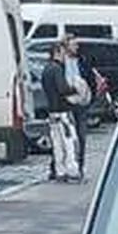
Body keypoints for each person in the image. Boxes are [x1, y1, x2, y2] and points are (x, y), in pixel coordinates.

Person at [40, 37, 80, 182]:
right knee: (69, 143)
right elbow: (62, 89)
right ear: (57, 52)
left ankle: (60, 172)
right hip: (63, 111)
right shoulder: (57, 69)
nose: (64, 56)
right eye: (62, 53)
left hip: (52, 112)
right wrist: (75, 89)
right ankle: (72, 171)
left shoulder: (46, 69)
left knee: (57, 145)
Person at [65, 40, 94, 182]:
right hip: (66, 103)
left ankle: (80, 167)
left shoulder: (82, 61)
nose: (76, 47)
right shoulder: (62, 63)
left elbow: (91, 80)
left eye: (76, 45)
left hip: (81, 103)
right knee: (66, 137)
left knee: (81, 136)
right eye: (73, 45)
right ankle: (63, 167)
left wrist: (89, 99)